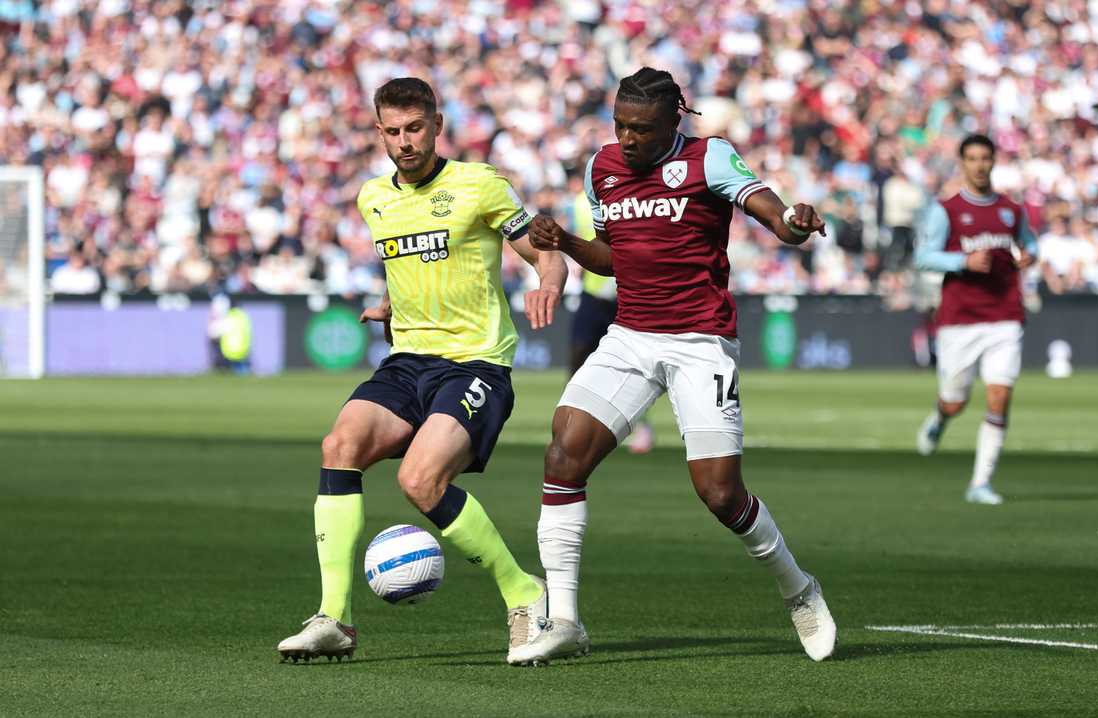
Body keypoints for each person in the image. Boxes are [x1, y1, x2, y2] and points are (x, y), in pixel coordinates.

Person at [510, 67, 837, 665]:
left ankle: (799, 587)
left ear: (673, 124)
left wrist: (796, 221)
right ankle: (564, 620)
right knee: (564, 452)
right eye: (620, 125)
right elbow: (611, 261)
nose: (627, 139)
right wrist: (566, 244)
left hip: (700, 341)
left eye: (641, 129)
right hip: (631, 334)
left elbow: (778, 221)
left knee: (719, 495)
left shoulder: (711, 159)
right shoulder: (600, 169)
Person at [277, 78, 568, 663]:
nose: (405, 142)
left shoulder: (479, 185)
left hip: (475, 363)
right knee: (340, 443)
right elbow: (405, 263)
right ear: (379, 132)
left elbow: (543, 251)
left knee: (419, 481)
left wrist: (548, 283)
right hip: (407, 360)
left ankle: (524, 591)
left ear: (437, 125)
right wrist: (390, 305)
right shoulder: (372, 198)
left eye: (415, 129)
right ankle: (335, 618)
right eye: (393, 131)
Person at [914, 134, 1037, 505]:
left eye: (986, 158)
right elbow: (924, 256)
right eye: (973, 158)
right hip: (960, 319)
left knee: (999, 397)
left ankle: (980, 483)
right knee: (956, 401)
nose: (980, 165)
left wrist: (1029, 255)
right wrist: (962, 262)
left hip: (1005, 316)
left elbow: (1029, 242)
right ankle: (940, 416)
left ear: (994, 161)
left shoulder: (1010, 210)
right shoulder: (946, 210)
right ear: (962, 163)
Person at [566, 190, 655, 453]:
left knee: (636, 364)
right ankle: (573, 426)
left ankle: (641, 427)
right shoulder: (579, 203)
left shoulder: (634, 199)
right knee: (578, 356)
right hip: (593, 294)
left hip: (627, 293)